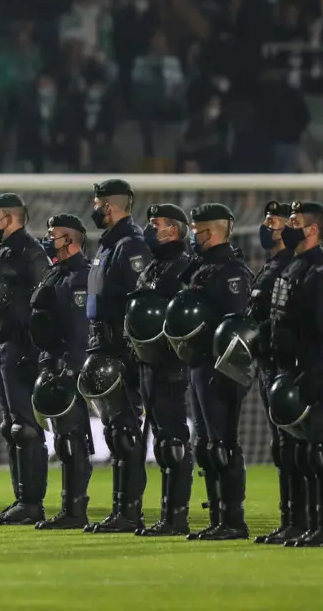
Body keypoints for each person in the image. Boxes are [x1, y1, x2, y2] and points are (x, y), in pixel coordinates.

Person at [268, 201, 323, 547]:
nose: (289, 226)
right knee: (293, 452)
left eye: (296, 221)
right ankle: (302, 522)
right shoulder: (294, 266)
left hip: (311, 372)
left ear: (312, 229)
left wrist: (317, 373)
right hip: (288, 370)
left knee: (319, 451)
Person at [180, 203, 253, 541]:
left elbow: (240, 325)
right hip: (197, 361)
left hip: (220, 366)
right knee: (206, 444)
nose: (194, 235)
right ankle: (217, 515)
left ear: (211, 231)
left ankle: (233, 519)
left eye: (197, 230)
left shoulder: (232, 271)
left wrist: (226, 366)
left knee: (223, 442)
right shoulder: (200, 268)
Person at [83, 179, 152, 533]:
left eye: (97, 202)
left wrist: (128, 348)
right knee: (114, 433)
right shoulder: (109, 245)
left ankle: (130, 511)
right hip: (103, 346)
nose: (94, 209)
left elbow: (139, 303)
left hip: (121, 351)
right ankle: (119, 510)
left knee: (125, 432)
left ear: (108, 206)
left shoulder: (130, 246)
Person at [0, 192, 50, 525]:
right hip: (2, 342)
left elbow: (44, 301)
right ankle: (21, 498)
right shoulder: (6, 251)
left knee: (26, 426)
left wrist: (34, 347)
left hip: (21, 346)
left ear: (9, 218)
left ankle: (32, 501)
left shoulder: (31, 252)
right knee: (11, 427)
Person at [132, 204, 194, 537]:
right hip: (146, 360)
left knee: (172, 441)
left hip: (169, 363)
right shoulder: (154, 266)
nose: (149, 229)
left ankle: (175, 516)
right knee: (160, 442)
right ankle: (165, 514)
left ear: (173, 229)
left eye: (155, 224)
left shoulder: (183, 267)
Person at [31, 214, 94, 530]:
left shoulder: (81, 276)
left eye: (52, 234)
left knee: (72, 441)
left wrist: (73, 368)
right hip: (49, 361)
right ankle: (68, 507)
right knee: (62, 440)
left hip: (68, 365)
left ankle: (75, 509)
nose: (47, 239)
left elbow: (80, 328)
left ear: (69, 240)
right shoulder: (55, 273)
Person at [248, 202, 299, 544]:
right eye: (266, 220)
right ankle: (289, 519)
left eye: (274, 221)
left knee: (297, 446)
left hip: (288, 366)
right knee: (282, 447)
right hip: (268, 365)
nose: (267, 226)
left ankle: (306, 518)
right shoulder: (271, 265)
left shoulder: (294, 267)